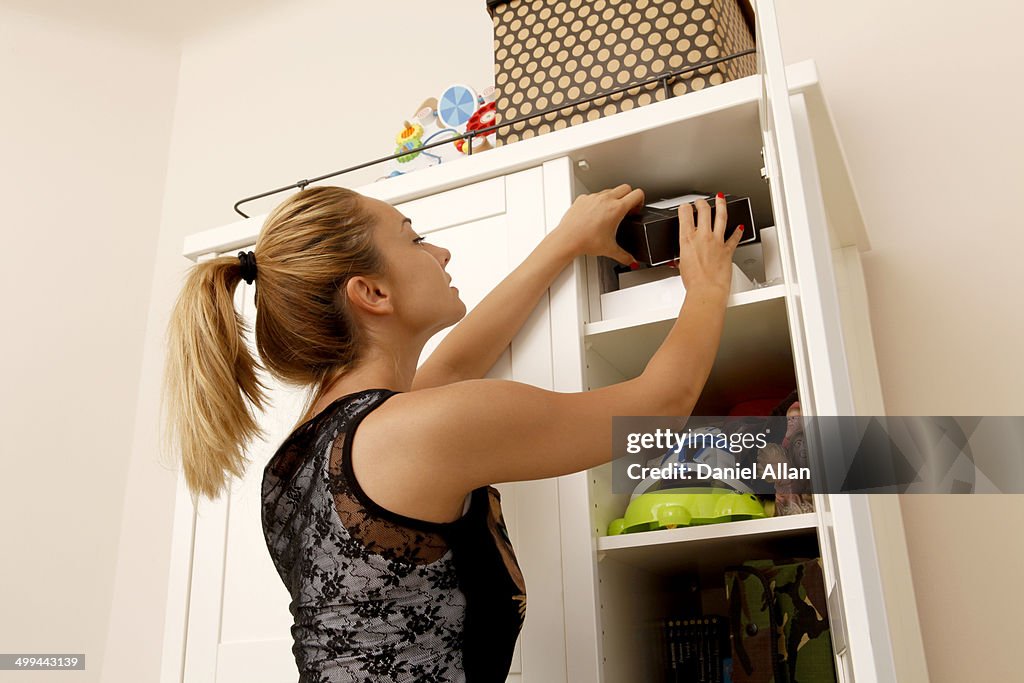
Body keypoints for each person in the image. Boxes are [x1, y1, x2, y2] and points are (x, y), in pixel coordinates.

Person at [161, 184, 741, 682]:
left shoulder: (313, 451)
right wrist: (710, 285)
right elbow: (658, 405)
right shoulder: (414, 433)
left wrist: (566, 240)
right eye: (414, 239)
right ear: (372, 293)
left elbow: (456, 368)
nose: (440, 251)